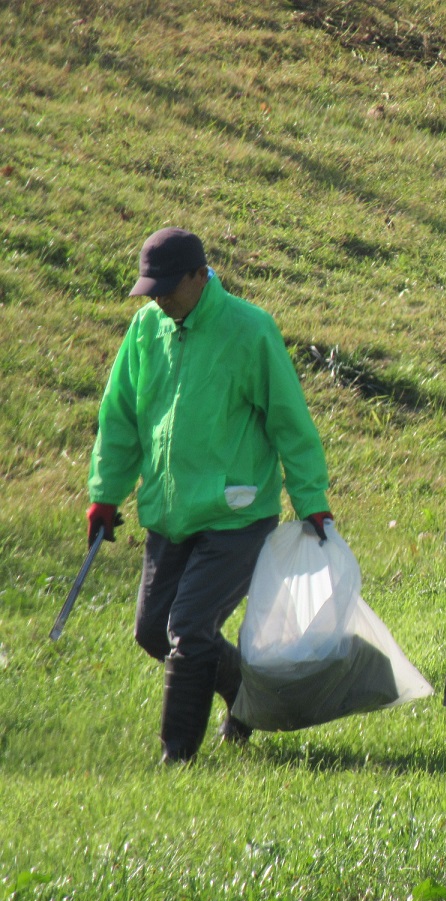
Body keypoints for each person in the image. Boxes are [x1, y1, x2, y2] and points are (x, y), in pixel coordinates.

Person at [88, 227, 333, 764]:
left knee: (190, 628)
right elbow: (120, 418)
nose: (158, 298)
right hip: (169, 512)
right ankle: (248, 697)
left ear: (202, 275)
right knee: (154, 632)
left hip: (235, 516)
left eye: (168, 287)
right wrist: (105, 495)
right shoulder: (147, 329)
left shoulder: (250, 330)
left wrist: (312, 499)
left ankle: (177, 756)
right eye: (150, 289)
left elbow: (290, 423)